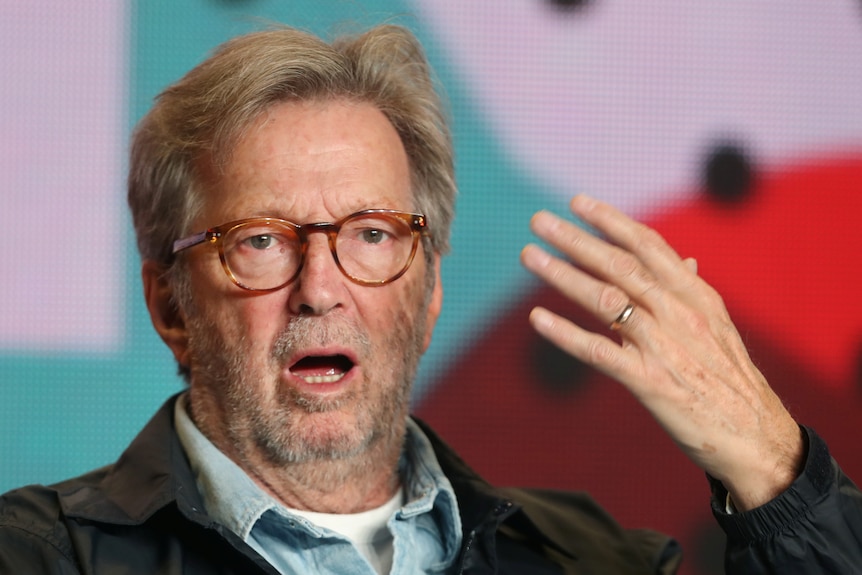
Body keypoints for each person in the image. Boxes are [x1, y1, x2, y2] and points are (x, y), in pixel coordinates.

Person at [1, 23, 860, 574]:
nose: (321, 287)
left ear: (432, 287)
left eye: (372, 233)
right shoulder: (34, 555)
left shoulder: (591, 560)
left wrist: (772, 465)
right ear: (169, 305)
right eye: (261, 239)